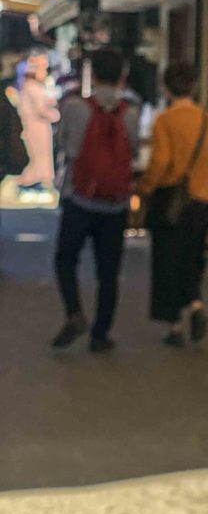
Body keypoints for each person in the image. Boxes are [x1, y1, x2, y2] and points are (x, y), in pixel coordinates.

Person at [52, 47, 139, 352]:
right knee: (108, 272)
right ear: (122, 77)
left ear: (92, 74)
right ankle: (100, 334)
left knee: (65, 258)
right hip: (115, 205)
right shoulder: (131, 112)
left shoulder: (74, 106)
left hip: (80, 199)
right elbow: (135, 151)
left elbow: (63, 144)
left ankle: (74, 312)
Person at [138, 63, 208, 347]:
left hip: (173, 201)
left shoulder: (165, 120)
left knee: (167, 261)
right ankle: (195, 304)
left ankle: (174, 327)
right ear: (193, 87)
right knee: (193, 257)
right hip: (203, 201)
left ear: (166, 87)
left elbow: (161, 162)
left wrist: (145, 186)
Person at [16, 52, 59, 196]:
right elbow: (42, 109)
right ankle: (30, 182)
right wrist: (56, 115)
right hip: (35, 128)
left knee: (39, 156)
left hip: (38, 127)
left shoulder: (31, 86)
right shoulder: (32, 87)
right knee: (36, 156)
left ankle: (36, 181)